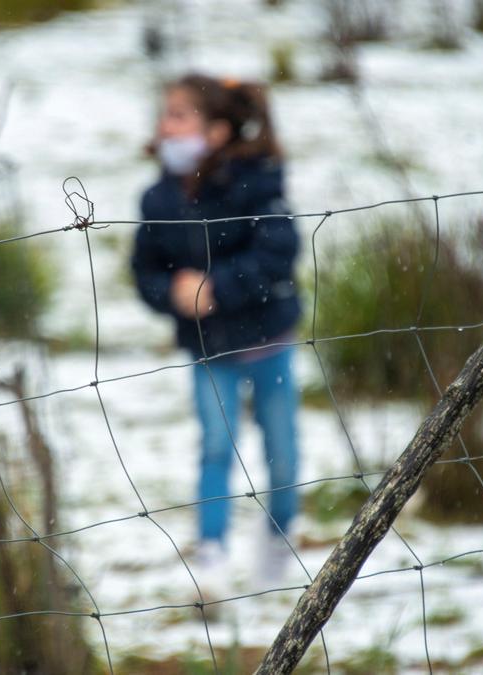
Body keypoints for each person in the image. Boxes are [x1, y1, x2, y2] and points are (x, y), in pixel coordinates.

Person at [130, 73, 301, 587]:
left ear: (219, 131)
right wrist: (173, 293)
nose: (167, 126)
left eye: (180, 116)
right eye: (165, 115)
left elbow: (278, 252)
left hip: (269, 341)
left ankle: (279, 533)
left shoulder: (257, 180)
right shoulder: (158, 199)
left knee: (282, 448)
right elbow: (145, 270)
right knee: (214, 445)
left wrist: (218, 286)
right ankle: (211, 549)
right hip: (209, 350)